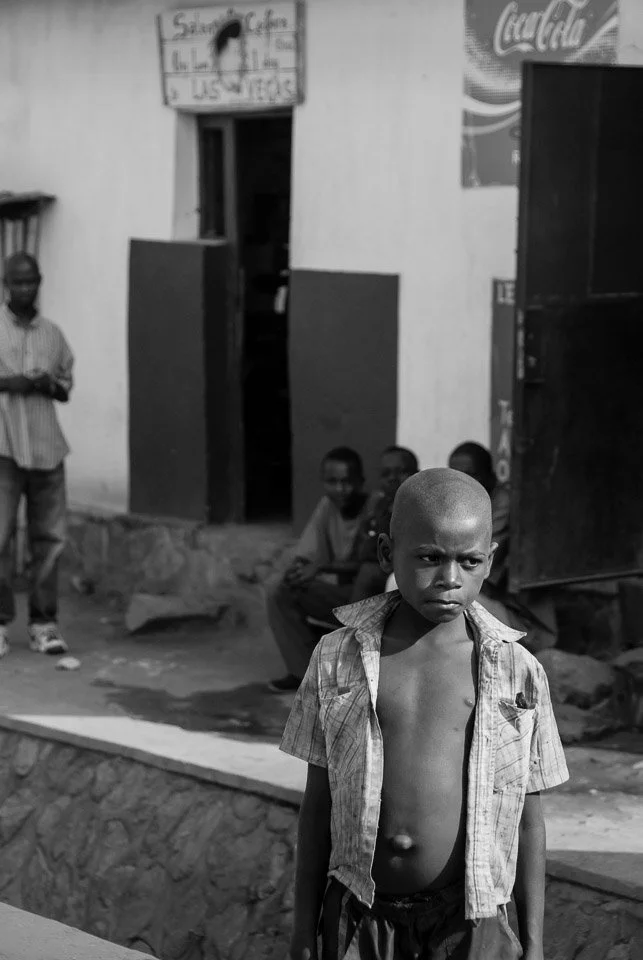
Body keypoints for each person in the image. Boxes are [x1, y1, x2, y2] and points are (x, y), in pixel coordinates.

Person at [281, 468, 568, 959]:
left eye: (469, 561)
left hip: (470, 922)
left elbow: (528, 819)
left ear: (489, 562)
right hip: (360, 916)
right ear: (388, 554)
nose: (449, 579)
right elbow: (317, 805)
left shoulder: (517, 671)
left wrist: (535, 944)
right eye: (430, 558)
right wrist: (304, 930)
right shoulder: (338, 658)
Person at [0, 253, 74, 657]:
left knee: (49, 540)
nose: (25, 288)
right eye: (18, 282)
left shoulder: (53, 334)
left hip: (47, 450)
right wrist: (10, 382)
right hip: (4, 447)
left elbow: (66, 387)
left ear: (39, 283)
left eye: (31, 282)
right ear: (6, 283)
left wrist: (47, 384)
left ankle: (44, 624)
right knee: (0, 538)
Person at [265, 447, 370, 693]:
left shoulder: (373, 507)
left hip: (367, 598)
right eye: (332, 482)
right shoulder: (327, 506)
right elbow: (307, 552)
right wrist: (296, 571)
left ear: (361, 481)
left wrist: (321, 566)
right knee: (280, 590)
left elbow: (373, 564)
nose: (340, 489)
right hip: (338, 596)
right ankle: (304, 673)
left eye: (347, 482)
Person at [448, 441, 557, 652]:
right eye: (456, 477)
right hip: (493, 607)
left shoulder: (504, 503)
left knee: (446, 597)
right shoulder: (468, 505)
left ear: (491, 475)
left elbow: (472, 568)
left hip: (527, 628)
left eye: (471, 475)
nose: (463, 484)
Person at [350, 446, 419, 603]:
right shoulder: (378, 505)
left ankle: (355, 626)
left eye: (401, 471)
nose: (392, 478)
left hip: (404, 572)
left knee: (368, 573)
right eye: (386, 473)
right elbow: (363, 549)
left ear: (417, 474)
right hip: (377, 569)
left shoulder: (421, 506)